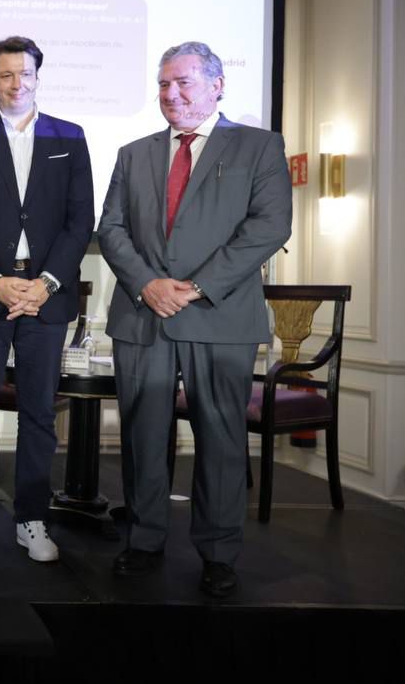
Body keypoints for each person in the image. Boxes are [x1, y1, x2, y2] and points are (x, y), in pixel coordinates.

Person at [98, 41, 291, 598]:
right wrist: (148, 283)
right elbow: (111, 228)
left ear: (217, 84)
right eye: (163, 84)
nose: (171, 93)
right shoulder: (133, 153)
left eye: (183, 82)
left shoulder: (260, 146)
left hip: (220, 315)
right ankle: (144, 540)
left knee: (222, 439)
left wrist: (197, 286)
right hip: (143, 314)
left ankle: (218, 552)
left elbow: (269, 226)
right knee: (142, 435)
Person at [0, 35, 93, 564]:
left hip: (45, 296)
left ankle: (32, 520)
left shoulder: (69, 137)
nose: (16, 83)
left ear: (37, 77)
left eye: (25, 74)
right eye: (6, 75)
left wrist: (46, 282)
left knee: (39, 416)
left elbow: (80, 221)